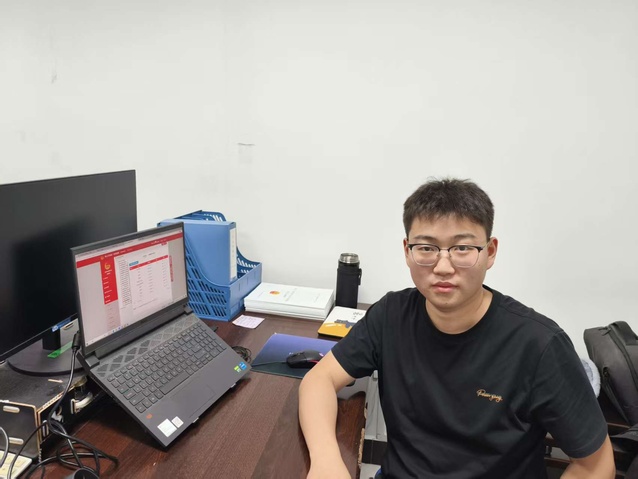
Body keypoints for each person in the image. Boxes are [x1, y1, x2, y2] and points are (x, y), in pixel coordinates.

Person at [299, 178, 615, 478]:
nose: (443, 266)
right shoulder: (390, 315)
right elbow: (319, 379)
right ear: (407, 251)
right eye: (426, 248)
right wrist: (326, 460)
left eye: (462, 248)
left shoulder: (539, 345)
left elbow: (597, 466)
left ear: (490, 252)